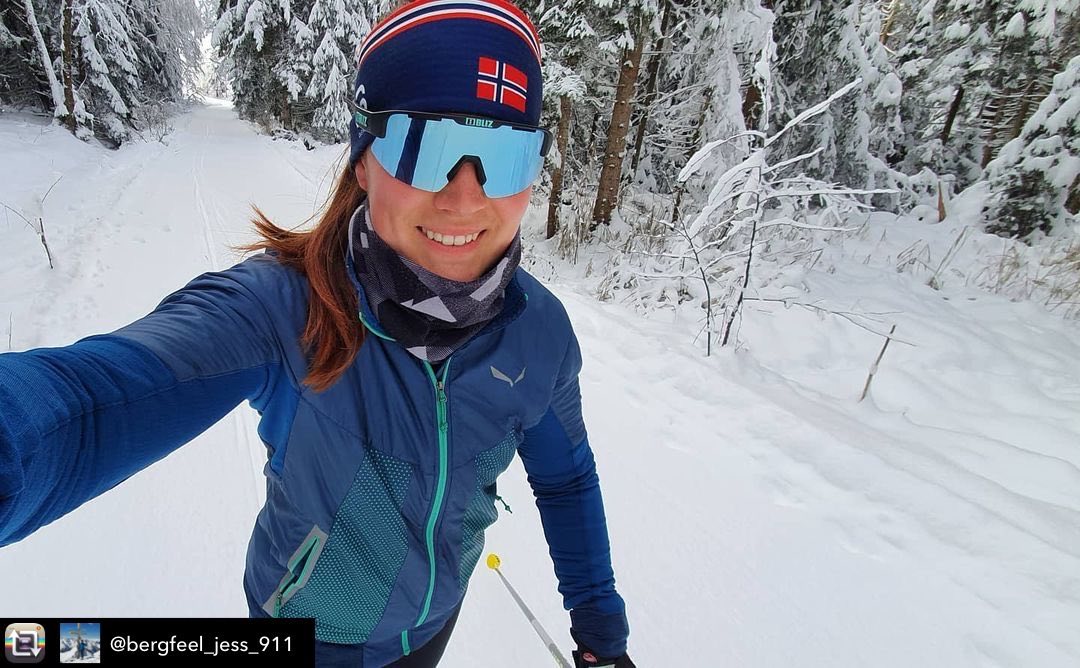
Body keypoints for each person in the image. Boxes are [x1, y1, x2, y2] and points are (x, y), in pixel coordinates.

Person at [0, 0, 634, 666]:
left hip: (429, 629)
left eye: (505, 155)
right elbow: (90, 402)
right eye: (424, 148)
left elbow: (566, 481)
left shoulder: (539, 333)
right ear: (363, 161)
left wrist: (600, 624)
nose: (464, 198)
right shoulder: (279, 308)